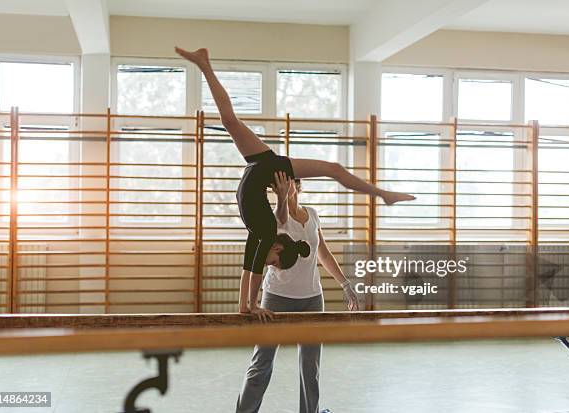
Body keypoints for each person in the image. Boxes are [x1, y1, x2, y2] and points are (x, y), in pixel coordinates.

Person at [174, 47, 415, 321]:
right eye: (274, 262)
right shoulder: (266, 230)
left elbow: (250, 268)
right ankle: (383, 194)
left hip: (261, 171)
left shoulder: (263, 232)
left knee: (231, 121)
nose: (270, 265)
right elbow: (253, 268)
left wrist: (247, 305)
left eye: (272, 264)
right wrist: (250, 305)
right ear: (278, 248)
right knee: (331, 168)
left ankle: (206, 65)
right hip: (264, 169)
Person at [236, 175, 358, 413]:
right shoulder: (272, 219)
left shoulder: (312, 214)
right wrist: (252, 303)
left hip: (312, 298)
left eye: (287, 181)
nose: (282, 185)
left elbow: (322, 252)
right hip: (276, 298)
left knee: (310, 367)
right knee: (261, 363)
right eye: (277, 183)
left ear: (298, 185)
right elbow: (261, 255)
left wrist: (345, 284)